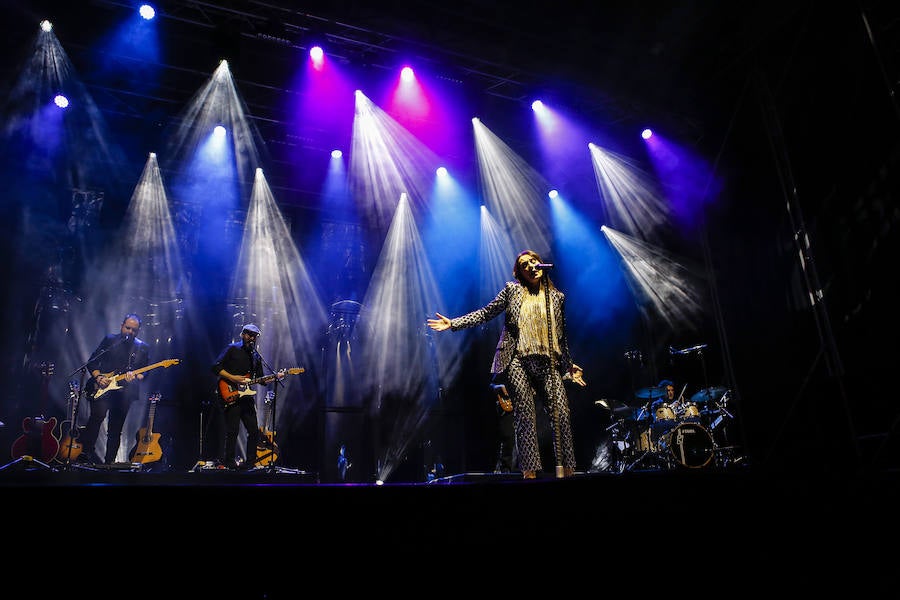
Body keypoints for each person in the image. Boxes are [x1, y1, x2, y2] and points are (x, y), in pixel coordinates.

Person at [427, 249, 586, 479]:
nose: (531, 266)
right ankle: (529, 474)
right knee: (525, 415)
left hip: (548, 360)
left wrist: (568, 365)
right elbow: (485, 313)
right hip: (517, 359)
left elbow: (561, 336)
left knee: (561, 412)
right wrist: (453, 323)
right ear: (519, 273)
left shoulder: (557, 297)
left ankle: (568, 471)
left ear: (541, 264)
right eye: (524, 265)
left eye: (533, 262)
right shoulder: (512, 291)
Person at [80, 313, 151, 465]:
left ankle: (109, 464)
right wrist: (99, 378)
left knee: (115, 429)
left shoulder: (142, 347)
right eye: (128, 328)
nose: (130, 332)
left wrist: (137, 376)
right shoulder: (110, 340)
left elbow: (145, 372)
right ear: (121, 326)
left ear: (139, 331)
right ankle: (86, 456)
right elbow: (92, 362)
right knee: (96, 419)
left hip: (125, 392)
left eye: (134, 330)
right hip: (103, 387)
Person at [211, 323, 280, 470]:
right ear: (243, 334)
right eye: (249, 335)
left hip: (247, 397)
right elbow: (215, 367)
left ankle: (250, 463)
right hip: (231, 393)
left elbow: (261, 379)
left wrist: (275, 377)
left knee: (254, 431)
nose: (252, 338)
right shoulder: (232, 348)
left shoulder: (256, 355)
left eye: (254, 336)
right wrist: (233, 378)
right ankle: (229, 462)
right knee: (233, 430)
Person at [489, 380, 516, 474]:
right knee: (508, 438)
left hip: (524, 401)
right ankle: (505, 469)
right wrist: (499, 386)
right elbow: (492, 383)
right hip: (508, 405)